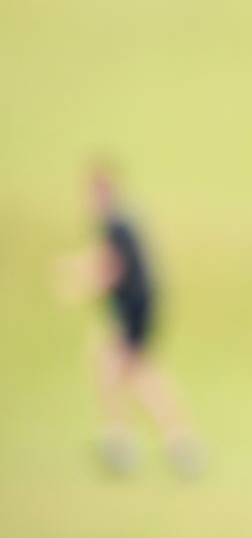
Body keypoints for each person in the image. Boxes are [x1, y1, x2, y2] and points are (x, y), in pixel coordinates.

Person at [56, 165, 202, 477]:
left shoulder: (118, 225)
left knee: (135, 373)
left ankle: (165, 443)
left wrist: (78, 282)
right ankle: (126, 439)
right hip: (134, 309)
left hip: (135, 310)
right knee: (114, 365)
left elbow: (112, 268)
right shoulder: (118, 224)